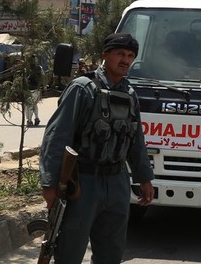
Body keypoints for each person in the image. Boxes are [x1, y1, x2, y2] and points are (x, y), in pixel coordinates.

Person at [39, 33, 154, 263]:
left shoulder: (129, 94)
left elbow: (136, 140)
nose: (125, 60)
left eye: (130, 56)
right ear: (105, 55)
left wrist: (144, 178)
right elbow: (57, 136)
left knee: (111, 253)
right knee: (69, 252)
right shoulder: (82, 88)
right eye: (120, 54)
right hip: (83, 182)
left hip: (117, 182)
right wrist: (49, 185)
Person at [23, 55, 45, 127]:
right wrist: (43, 87)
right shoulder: (39, 68)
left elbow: (24, 79)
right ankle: (36, 118)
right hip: (37, 89)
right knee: (34, 104)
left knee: (28, 105)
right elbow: (43, 77)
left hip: (30, 89)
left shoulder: (26, 69)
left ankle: (29, 120)